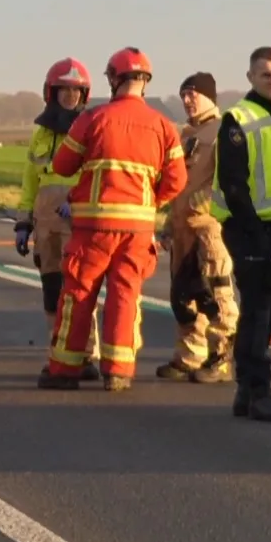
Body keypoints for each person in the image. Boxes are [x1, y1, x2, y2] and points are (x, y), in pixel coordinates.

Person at [37, 47, 185, 392]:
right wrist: (149, 202)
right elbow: (176, 180)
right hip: (136, 229)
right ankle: (119, 370)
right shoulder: (164, 126)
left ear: (115, 79)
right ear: (145, 82)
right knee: (125, 295)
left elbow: (62, 166)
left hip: (94, 227)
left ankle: (64, 369)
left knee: (78, 293)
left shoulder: (93, 118)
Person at [213, 46, 271, 423]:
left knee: (264, 312)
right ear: (251, 76)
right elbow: (234, 186)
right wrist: (258, 236)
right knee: (257, 313)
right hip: (249, 228)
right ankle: (257, 391)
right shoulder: (239, 118)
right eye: (267, 74)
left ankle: (245, 392)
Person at [16, 58, 103, 384]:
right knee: (52, 292)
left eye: (76, 91)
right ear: (51, 93)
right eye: (64, 90)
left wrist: (79, 204)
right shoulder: (40, 134)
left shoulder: (92, 128)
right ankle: (59, 352)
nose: (70, 96)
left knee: (80, 291)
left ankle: (86, 354)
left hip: (78, 224)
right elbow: (29, 183)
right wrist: (23, 223)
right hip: (46, 225)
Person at [158, 72, 239, 383]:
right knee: (184, 296)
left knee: (216, 296)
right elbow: (178, 187)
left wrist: (196, 206)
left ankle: (221, 359)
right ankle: (190, 356)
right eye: (184, 95)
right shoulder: (187, 135)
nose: (188, 100)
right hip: (182, 231)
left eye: (193, 94)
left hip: (208, 230)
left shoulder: (223, 132)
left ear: (210, 97)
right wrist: (169, 224)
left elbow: (229, 184)